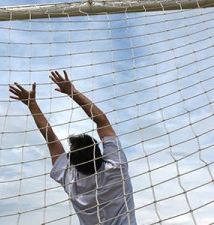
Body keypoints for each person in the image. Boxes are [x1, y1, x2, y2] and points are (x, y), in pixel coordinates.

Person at [9, 70, 136, 225]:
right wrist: (72, 92)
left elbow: (52, 140)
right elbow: (102, 121)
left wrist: (32, 104)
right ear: (100, 152)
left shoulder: (70, 178)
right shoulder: (116, 168)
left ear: (73, 163)